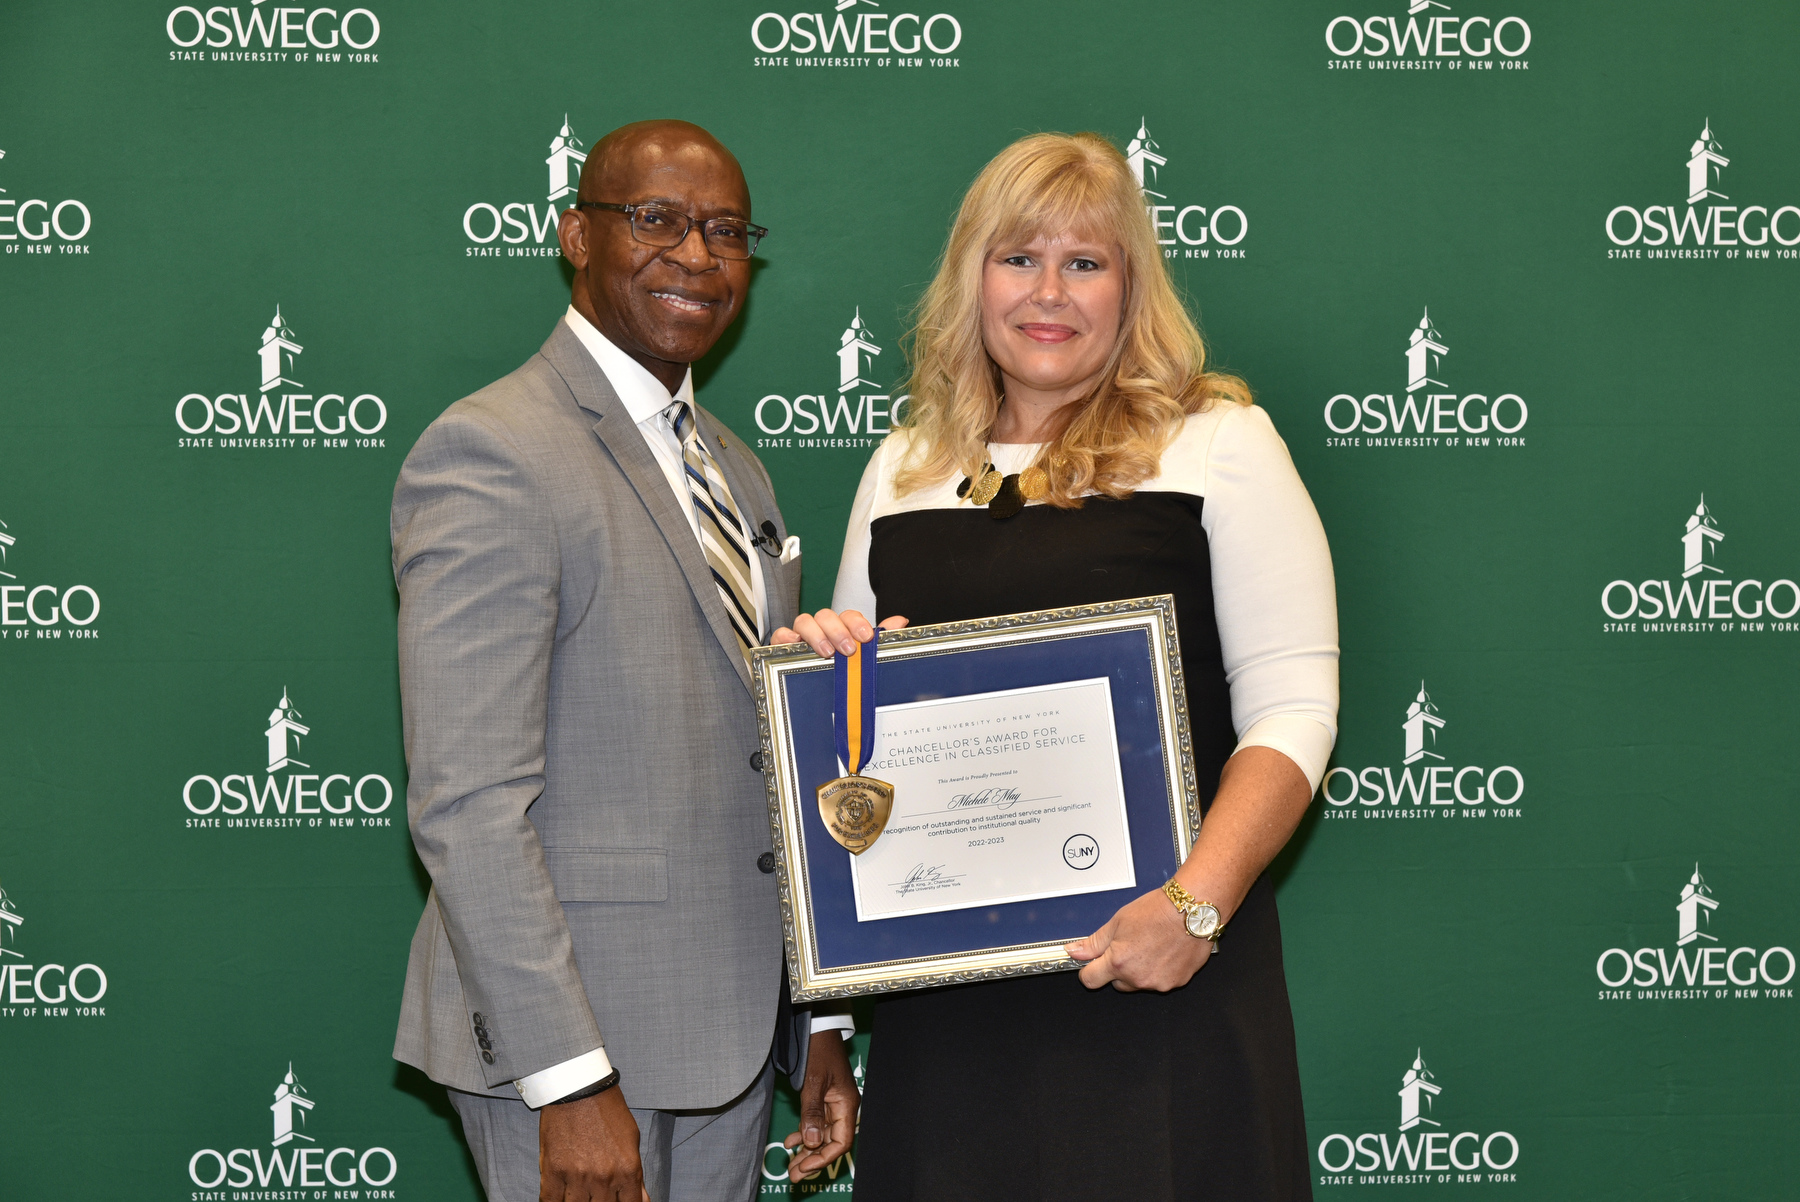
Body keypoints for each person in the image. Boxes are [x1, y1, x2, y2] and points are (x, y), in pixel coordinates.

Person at [776, 132, 1337, 1200]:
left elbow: (1295, 709)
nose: (1049, 293)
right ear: (971, 278)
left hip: (1163, 985)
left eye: (1086, 263)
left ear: (1131, 288)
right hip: (950, 1020)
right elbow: (847, 762)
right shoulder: (903, 468)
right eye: (1018, 258)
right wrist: (832, 670)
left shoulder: (1218, 440)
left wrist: (1195, 907)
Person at [391, 120, 858, 1202]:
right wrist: (566, 1079)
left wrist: (818, 1014)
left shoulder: (735, 466)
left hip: (733, 1039)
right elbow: (466, 803)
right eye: (655, 219)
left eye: (726, 231)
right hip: (583, 1046)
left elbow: (768, 770)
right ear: (576, 236)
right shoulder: (494, 451)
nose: (696, 254)